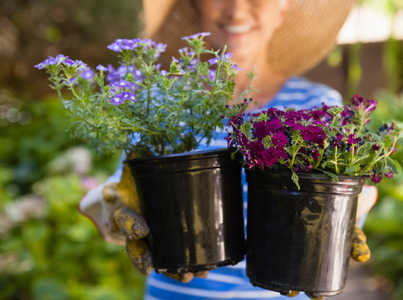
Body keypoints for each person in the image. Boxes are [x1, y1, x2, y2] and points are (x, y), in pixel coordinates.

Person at [79, 0, 378, 299]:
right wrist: (115, 209)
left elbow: (351, 198)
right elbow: (119, 197)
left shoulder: (318, 107)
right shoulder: (157, 102)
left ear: (281, 10)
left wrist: (353, 205)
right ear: (197, 5)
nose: (236, 10)